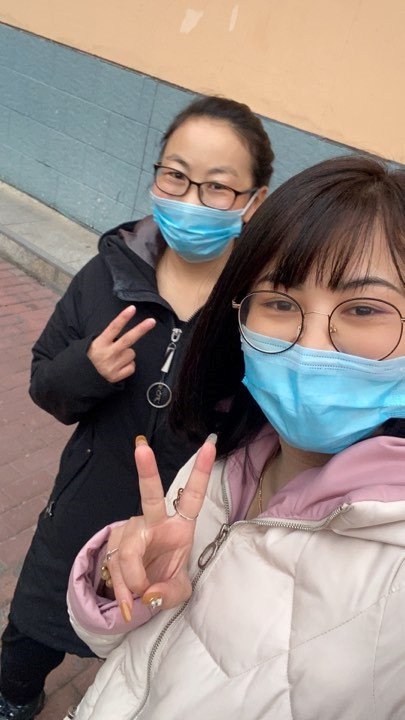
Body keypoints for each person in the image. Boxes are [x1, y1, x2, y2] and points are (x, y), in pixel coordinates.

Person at [65, 155, 404, 720]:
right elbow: (127, 657)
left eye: (365, 308)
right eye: (279, 302)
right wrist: (116, 580)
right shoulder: (221, 462)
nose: (311, 344)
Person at [0, 96, 274, 720]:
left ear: (254, 201)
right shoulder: (108, 275)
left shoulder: (262, 309)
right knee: (28, 641)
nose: (190, 199)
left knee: (143, 663)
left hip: (181, 540)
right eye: (175, 175)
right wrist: (86, 368)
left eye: (217, 186)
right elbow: (45, 383)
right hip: (77, 516)